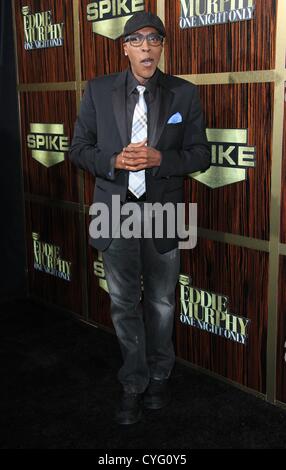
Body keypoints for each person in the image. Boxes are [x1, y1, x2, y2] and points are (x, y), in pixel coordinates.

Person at [70, 11, 210, 425]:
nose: (147, 46)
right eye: (138, 39)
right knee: (123, 304)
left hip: (165, 210)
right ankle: (133, 382)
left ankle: (160, 376)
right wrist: (114, 161)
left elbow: (201, 155)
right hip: (113, 210)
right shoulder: (97, 90)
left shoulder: (184, 94)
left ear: (162, 46)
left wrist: (161, 158)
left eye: (154, 38)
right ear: (125, 47)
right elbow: (78, 149)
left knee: (163, 302)